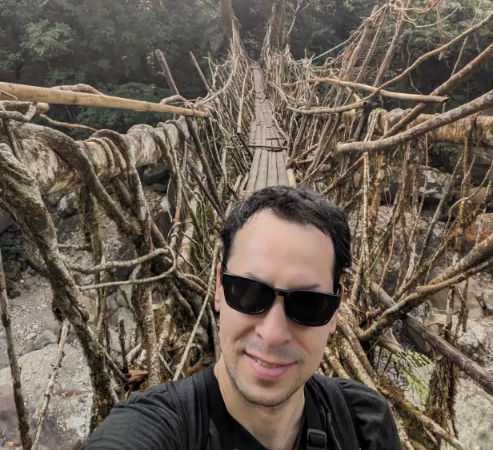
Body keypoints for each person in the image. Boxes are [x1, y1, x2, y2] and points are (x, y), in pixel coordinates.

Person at [83, 186, 400, 450]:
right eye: (248, 292)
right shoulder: (161, 426)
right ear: (219, 288)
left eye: (308, 303)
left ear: (335, 311)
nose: (273, 334)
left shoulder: (364, 424)